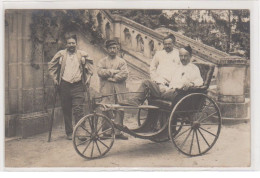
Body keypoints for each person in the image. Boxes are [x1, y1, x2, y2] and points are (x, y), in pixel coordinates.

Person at [119, 45, 203, 105]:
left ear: (190, 56)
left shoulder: (193, 68)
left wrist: (191, 84)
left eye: (185, 56)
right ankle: (136, 100)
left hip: (178, 94)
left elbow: (199, 81)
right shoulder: (177, 67)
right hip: (168, 91)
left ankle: (137, 100)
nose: (183, 58)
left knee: (157, 90)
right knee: (147, 82)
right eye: (181, 56)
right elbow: (167, 79)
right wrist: (161, 84)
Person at [48, 34, 93, 140]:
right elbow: (51, 66)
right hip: (64, 85)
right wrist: (54, 78)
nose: (71, 45)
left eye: (73, 43)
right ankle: (69, 132)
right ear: (66, 44)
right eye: (69, 43)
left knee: (78, 109)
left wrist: (89, 76)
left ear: (76, 44)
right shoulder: (61, 54)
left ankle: (81, 131)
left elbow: (90, 65)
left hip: (78, 85)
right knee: (66, 109)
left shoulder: (82, 54)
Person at [119, 34, 181, 106]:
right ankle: (136, 100)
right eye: (165, 44)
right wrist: (157, 81)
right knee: (146, 82)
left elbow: (181, 72)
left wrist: (169, 86)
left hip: (171, 86)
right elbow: (152, 68)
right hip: (158, 83)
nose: (167, 46)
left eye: (169, 44)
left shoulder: (178, 55)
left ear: (174, 44)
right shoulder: (159, 54)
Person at [97, 40, 129, 140]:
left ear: (117, 49)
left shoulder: (122, 61)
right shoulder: (102, 61)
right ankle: (106, 132)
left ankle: (118, 132)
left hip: (119, 89)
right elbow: (100, 72)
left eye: (114, 48)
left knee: (119, 108)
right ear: (107, 49)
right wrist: (113, 71)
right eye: (110, 48)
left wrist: (112, 78)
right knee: (105, 108)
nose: (112, 50)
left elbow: (124, 74)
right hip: (106, 89)